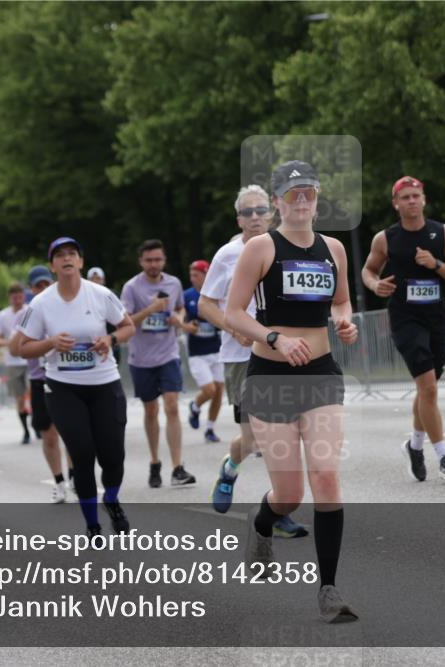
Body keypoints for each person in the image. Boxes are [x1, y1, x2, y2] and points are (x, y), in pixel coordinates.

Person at [226, 160, 359, 623]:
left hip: (322, 373)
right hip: (270, 377)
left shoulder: (335, 249)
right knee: (289, 493)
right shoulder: (262, 248)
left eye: (310, 193)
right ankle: (262, 522)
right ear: (279, 201)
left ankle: (329, 588)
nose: (303, 200)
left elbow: (341, 299)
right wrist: (275, 338)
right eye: (294, 193)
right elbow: (234, 313)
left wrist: (343, 320)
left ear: (317, 200)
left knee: (326, 476)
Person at [198, 184, 308, 538]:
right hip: (241, 356)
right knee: (255, 439)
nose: (255, 217)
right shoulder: (227, 255)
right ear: (239, 219)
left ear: (272, 213)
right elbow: (206, 304)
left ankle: (278, 508)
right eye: (248, 212)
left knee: (285, 435)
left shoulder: (286, 248)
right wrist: (233, 327)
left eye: (261, 210)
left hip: (282, 353)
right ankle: (230, 468)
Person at [15, 237, 136, 537]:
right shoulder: (41, 304)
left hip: (104, 383)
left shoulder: (100, 294)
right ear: (53, 266)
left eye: (72, 254)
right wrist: (51, 343)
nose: (67, 259)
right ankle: (92, 524)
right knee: (82, 454)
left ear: (80, 262)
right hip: (63, 387)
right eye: (60, 256)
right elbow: (22, 348)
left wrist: (111, 339)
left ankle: (111, 499)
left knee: (113, 454)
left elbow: (128, 326)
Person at [362, 176, 445, 483]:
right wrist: (375, 284)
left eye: (415, 196)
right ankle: (444, 457)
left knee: (427, 388)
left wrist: (434, 264)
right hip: (405, 319)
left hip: (437, 317)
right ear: (396, 204)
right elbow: (369, 270)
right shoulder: (386, 239)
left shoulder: (441, 232)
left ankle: (415, 446)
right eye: (405, 197)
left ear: (424, 200)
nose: (411, 201)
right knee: (430, 388)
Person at [121, 239, 195, 487]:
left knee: (172, 407)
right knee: (150, 409)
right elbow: (126, 321)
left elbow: (181, 308)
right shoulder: (131, 287)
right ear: (141, 261)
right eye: (149, 260)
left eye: (158, 259)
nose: (153, 264)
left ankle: (177, 467)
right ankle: (155, 462)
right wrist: (151, 309)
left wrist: (178, 318)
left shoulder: (173, 283)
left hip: (168, 354)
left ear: (164, 260)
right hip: (141, 358)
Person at [10, 265, 75, 503]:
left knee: (70, 431)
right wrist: (42, 341)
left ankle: (74, 474)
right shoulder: (25, 314)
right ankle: (59, 481)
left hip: (66, 377)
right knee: (48, 435)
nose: (43, 289)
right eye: (38, 285)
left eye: (46, 283)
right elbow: (14, 348)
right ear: (31, 289)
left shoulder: (64, 307)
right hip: (39, 379)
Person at [184, 260, 225, 443]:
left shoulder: (217, 294)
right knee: (209, 389)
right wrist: (187, 326)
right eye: (191, 275)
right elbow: (179, 318)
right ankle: (195, 405)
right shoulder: (187, 296)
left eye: (196, 275)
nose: (193, 279)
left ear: (206, 275)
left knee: (218, 391)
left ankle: (210, 428)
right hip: (197, 353)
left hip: (216, 350)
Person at [0, 283, 31, 444]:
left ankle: (38, 423)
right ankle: (26, 430)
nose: (17, 300)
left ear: (24, 296)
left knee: (33, 392)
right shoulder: (3, 315)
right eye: (14, 297)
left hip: (30, 359)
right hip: (13, 361)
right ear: (10, 298)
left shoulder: (29, 311)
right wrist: (9, 343)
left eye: (20, 297)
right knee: (20, 398)